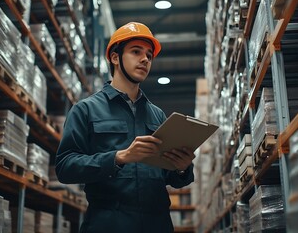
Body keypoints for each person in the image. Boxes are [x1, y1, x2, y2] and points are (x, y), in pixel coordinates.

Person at [55, 22, 195, 233]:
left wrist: (182, 168)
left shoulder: (157, 115)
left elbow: (171, 179)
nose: (145, 59)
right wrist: (119, 157)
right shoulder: (85, 110)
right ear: (115, 57)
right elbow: (65, 167)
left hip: (157, 225)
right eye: (136, 51)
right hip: (109, 225)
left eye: (149, 54)